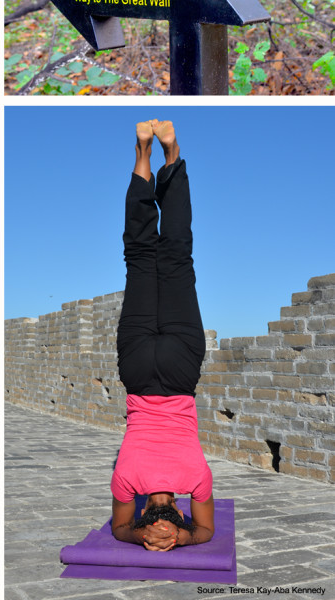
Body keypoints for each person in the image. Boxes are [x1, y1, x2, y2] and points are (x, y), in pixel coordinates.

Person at [110, 120, 215, 552]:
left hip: (179, 370)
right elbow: (120, 529)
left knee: (176, 257)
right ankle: (143, 156)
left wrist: (182, 538)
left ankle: (172, 158)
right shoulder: (125, 481)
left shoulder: (197, 480)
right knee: (138, 256)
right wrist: (139, 534)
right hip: (137, 371)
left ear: (178, 508)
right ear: (146, 510)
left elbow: (205, 532)